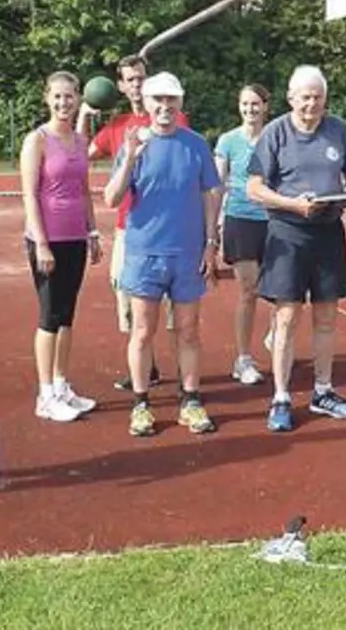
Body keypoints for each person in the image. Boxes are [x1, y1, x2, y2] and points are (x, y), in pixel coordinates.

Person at [244, 65, 346, 432]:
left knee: (327, 317)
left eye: (318, 97)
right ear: (291, 98)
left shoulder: (339, 130)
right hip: (288, 233)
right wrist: (292, 204)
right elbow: (254, 188)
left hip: (329, 232)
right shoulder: (275, 132)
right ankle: (281, 397)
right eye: (305, 97)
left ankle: (323, 391)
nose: (312, 104)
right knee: (286, 317)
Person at [103, 71, 220, 438]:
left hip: (187, 254)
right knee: (142, 331)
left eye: (171, 99)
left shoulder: (196, 145)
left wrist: (211, 243)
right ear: (147, 103)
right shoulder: (134, 144)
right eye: (158, 99)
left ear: (180, 103)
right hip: (144, 253)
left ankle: (191, 400)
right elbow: (111, 198)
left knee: (188, 330)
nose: (165, 106)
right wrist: (129, 158)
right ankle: (141, 405)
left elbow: (210, 193)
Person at [80, 54, 189, 390]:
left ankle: (185, 377)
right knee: (128, 297)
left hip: (169, 227)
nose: (137, 84)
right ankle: (147, 367)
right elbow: (80, 155)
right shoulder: (117, 126)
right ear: (121, 86)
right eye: (130, 79)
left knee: (174, 308)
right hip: (130, 228)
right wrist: (84, 115)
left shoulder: (174, 118)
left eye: (141, 77)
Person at [19, 72, 103, 423]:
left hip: (75, 237)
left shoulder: (81, 141)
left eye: (69, 96)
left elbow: (84, 190)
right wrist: (41, 244)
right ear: (46, 98)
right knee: (50, 316)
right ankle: (45, 395)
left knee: (67, 315)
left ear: (78, 98)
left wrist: (92, 231)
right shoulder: (37, 140)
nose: (63, 103)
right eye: (57, 96)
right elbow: (29, 195)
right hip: (47, 239)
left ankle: (61, 384)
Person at [213, 84, 272, 386]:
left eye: (255, 104)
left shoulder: (276, 137)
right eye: (245, 104)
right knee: (249, 290)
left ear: (266, 106)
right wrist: (214, 225)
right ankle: (244, 358)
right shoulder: (228, 141)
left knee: (283, 291)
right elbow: (217, 184)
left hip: (276, 220)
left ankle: (277, 334)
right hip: (241, 219)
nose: (250, 109)